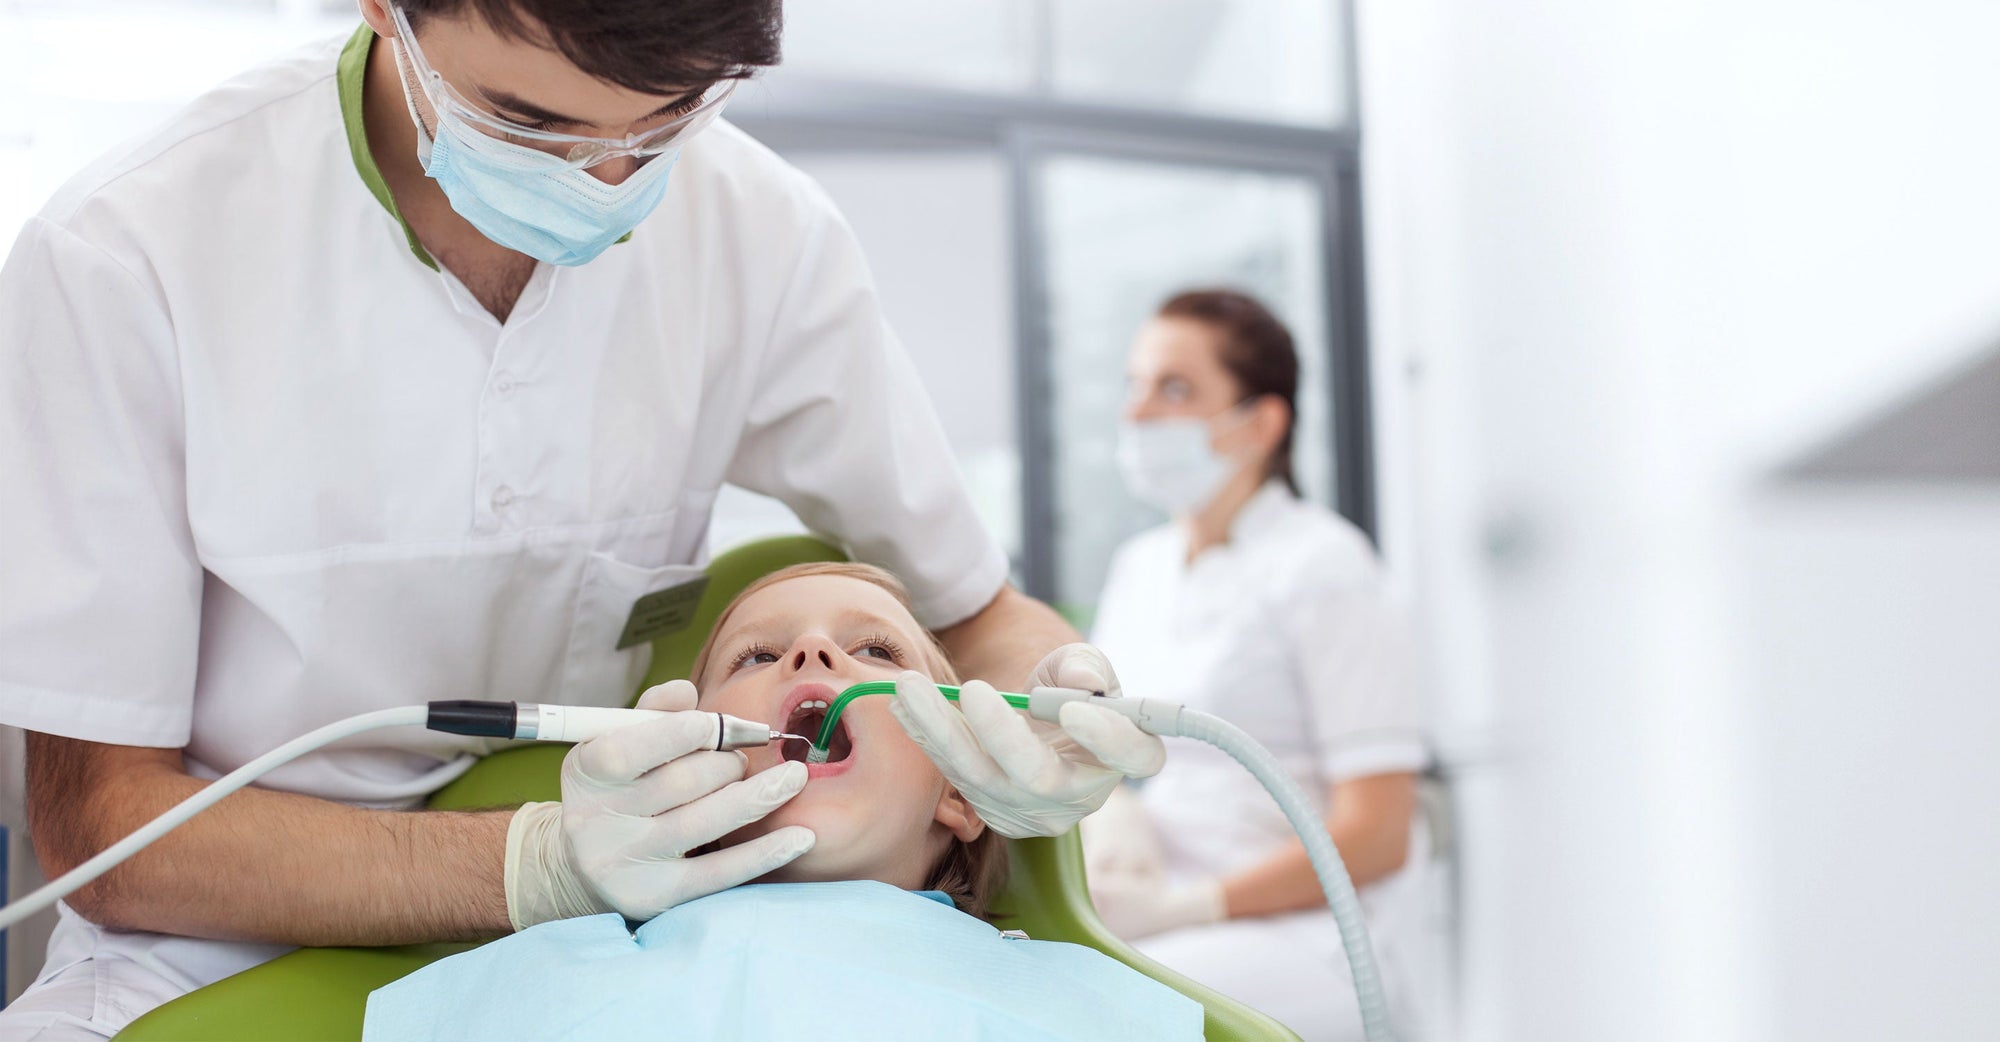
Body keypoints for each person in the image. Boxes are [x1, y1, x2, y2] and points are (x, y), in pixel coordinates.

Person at [0, 3, 1162, 1037]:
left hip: (632, 903)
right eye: (527, 121)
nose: (603, 183)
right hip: (209, 945)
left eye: (659, 124)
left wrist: (1056, 715)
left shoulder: (760, 233)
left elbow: (978, 614)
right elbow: (106, 826)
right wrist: (537, 863)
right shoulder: (127, 251)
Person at [362, 562, 1203, 1041]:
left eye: (874, 648)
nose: (811, 650)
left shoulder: (1078, 1007)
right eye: (755, 657)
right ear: (680, 763)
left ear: (963, 787)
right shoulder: (543, 982)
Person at [1083, 289, 1430, 1040]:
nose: (1138, 413)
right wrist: (1116, 816)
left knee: (1100, 1015)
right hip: (1165, 907)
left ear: (1262, 423)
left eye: (1175, 388)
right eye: (1135, 385)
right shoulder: (1141, 568)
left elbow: (1379, 833)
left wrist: (1191, 906)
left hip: (1308, 935)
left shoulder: (1325, 567)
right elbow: (1106, 744)